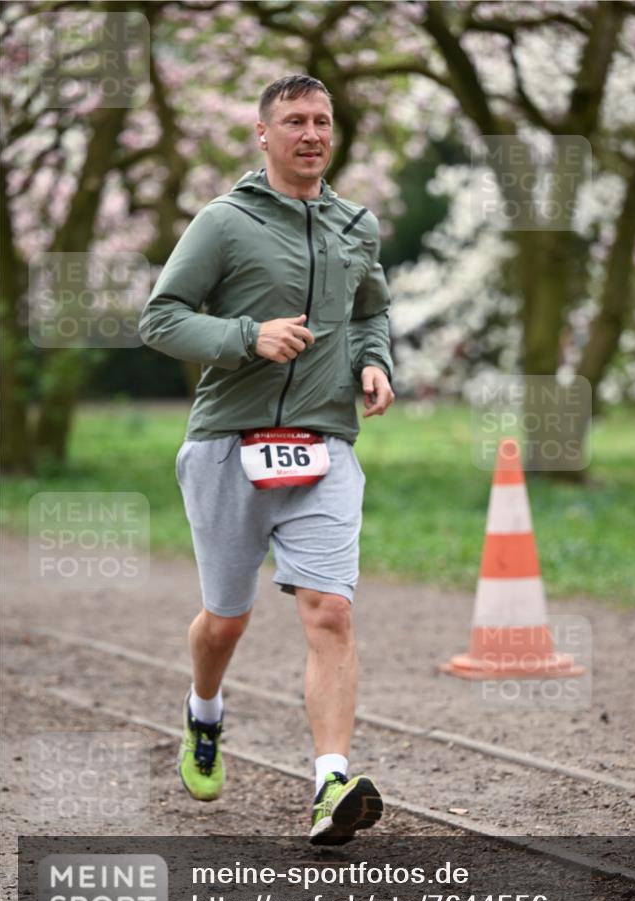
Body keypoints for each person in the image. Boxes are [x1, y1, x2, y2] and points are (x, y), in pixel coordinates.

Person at [139, 74, 394, 845]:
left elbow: (371, 310)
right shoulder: (224, 221)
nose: (310, 134)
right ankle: (204, 713)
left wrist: (373, 361)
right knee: (226, 620)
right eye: (293, 121)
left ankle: (330, 783)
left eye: (321, 121)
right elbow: (160, 318)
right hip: (228, 445)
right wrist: (246, 336)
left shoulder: (356, 225)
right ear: (262, 133)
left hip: (324, 445)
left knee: (330, 610)